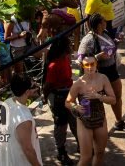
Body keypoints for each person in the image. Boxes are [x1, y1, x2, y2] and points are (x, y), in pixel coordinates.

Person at [77, 14, 125, 133]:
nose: (106, 22)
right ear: (99, 24)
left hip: (111, 70)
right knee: (95, 101)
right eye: (103, 21)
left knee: (117, 96)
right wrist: (98, 57)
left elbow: (111, 48)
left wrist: (117, 42)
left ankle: (119, 121)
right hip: (98, 73)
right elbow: (80, 60)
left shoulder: (105, 33)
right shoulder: (88, 40)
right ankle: (91, 126)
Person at [65, 55, 116, 166]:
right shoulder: (78, 83)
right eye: (86, 65)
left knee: (100, 152)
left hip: (100, 118)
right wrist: (75, 107)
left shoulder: (103, 78)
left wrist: (98, 96)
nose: (89, 67)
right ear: (82, 66)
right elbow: (67, 102)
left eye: (92, 64)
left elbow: (113, 100)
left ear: (96, 64)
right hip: (84, 120)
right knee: (86, 157)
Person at [43, 36, 78, 166]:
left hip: (68, 93)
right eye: (69, 45)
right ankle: (61, 151)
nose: (71, 46)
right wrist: (45, 98)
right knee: (61, 125)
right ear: (64, 48)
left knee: (74, 120)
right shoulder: (54, 65)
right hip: (58, 97)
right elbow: (48, 86)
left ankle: (81, 143)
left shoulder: (65, 59)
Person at [1, 73, 43, 166]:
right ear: (27, 92)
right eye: (33, 86)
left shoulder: (6, 104)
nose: (36, 87)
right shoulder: (24, 119)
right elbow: (28, 150)